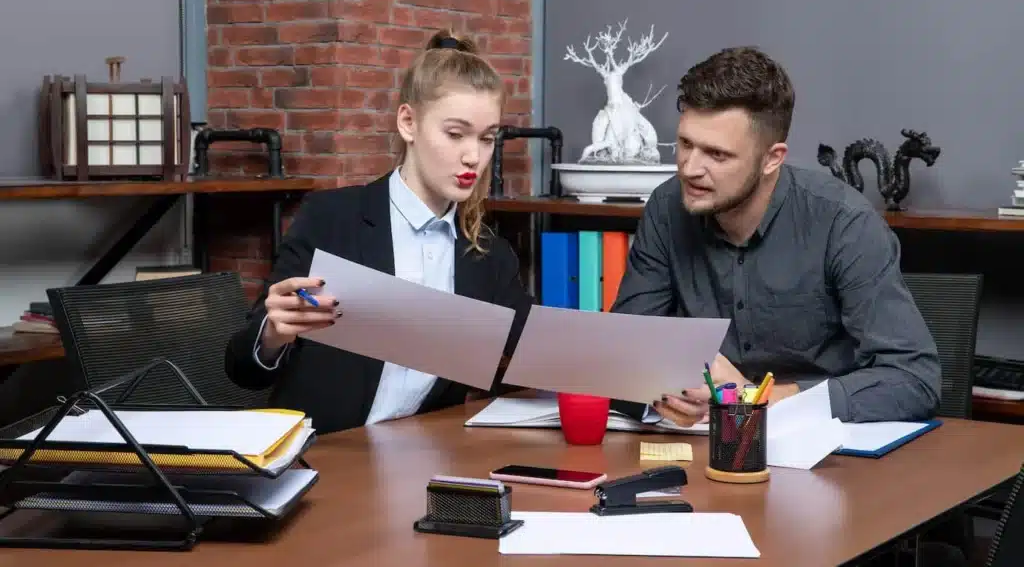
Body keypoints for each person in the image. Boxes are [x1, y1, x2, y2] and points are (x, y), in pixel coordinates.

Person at [609, 46, 941, 428]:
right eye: (685, 144)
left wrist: (752, 398)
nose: (690, 168)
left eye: (717, 154)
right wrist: (667, 392)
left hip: (828, 457)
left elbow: (914, 380)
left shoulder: (843, 222)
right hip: (700, 451)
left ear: (772, 159)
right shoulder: (667, 208)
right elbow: (628, 351)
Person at [224, 29, 532, 434]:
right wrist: (272, 335)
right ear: (408, 122)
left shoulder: (489, 255)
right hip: (323, 459)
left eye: (487, 138)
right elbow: (242, 368)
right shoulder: (331, 218)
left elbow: (543, 349)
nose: (473, 156)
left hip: (421, 460)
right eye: (455, 134)